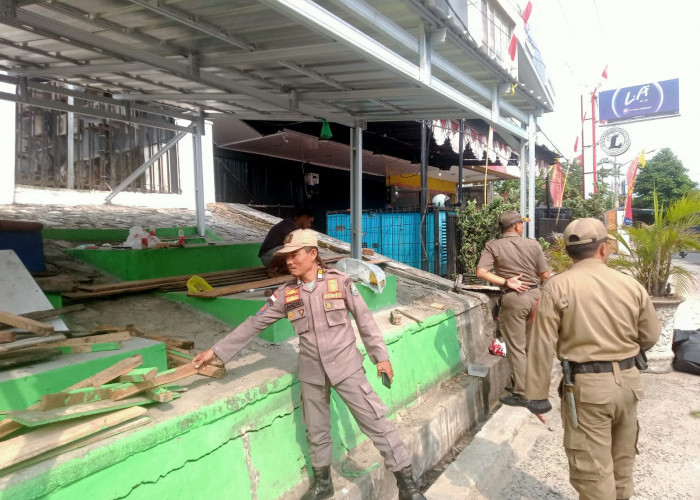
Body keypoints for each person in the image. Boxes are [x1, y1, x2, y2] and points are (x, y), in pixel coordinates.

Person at [193, 229, 425, 500]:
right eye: (286, 256)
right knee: (316, 430)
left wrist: (381, 357)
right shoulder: (286, 294)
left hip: (347, 367)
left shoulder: (339, 283)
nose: (289, 261)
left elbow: (365, 321)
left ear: (313, 254)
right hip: (312, 373)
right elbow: (254, 324)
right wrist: (216, 352)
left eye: (295, 255)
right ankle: (323, 484)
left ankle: (407, 486)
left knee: (375, 422)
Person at [525, 218, 660, 500]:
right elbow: (650, 335)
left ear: (568, 252)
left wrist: (537, 396)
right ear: (603, 249)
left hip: (587, 389)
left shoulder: (557, 286)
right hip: (629, 384)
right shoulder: (630, 284)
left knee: (592, 472)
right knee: (622, 464)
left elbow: (541, 345)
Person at [476, 210, 551, 406]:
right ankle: (532, 389)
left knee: (517, 347)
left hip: (513, 300)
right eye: (521, 223)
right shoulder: (533, 244)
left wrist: (506, 281)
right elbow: (545, 276)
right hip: (536, 298)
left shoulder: (493, 246)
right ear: (517, 226)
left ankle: (522, 391)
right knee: (531, 346)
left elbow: (481, 272)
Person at [258, 206, 315, 277]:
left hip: (272, 255)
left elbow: (309, 245)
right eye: (310, 222)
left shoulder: (295, 226)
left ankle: (282, 268)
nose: (309, 225)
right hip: (266, 257)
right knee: (292, 248)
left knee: (297, 249)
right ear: (304, 218)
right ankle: (270, 270)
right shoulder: (289, 225)